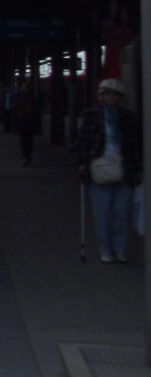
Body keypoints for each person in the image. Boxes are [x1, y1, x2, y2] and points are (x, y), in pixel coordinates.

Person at [74, 78, 142, 263]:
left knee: (122, 211)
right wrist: (82, 162)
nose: (109, 97)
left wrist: (138, 168)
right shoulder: (92, 115)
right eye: (105, 93)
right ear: (101, 96)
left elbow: (136, 144)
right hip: (99, 168)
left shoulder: (128, 117)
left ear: (119, 96)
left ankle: (118, 248)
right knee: (102, 211)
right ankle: (105, 248)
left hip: (124, 167)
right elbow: (82, 140)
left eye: (113, 93)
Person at [14, 81, 39, 167]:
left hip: (21, 122)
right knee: (30, 142)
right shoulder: (33, 98)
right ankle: (28, 158)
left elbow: (15, 110)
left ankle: (24, 158)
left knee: (23, 142)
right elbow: (36, 111)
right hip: (31, 122)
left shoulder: (18, 98)